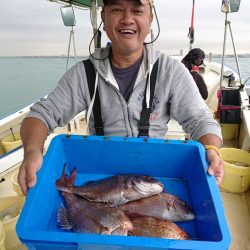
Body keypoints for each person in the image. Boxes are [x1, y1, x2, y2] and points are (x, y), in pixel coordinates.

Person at [18, 0, 224, 195]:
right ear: (103, 18)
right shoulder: (83, 74)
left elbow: (200, 120)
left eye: (137, 10)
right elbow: (41, 115)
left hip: (150, 177)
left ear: (150, 18)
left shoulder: (171, 71)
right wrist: (32, 151)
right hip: (100, 177)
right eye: (116, 9)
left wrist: (212, 149)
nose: (127, 19)